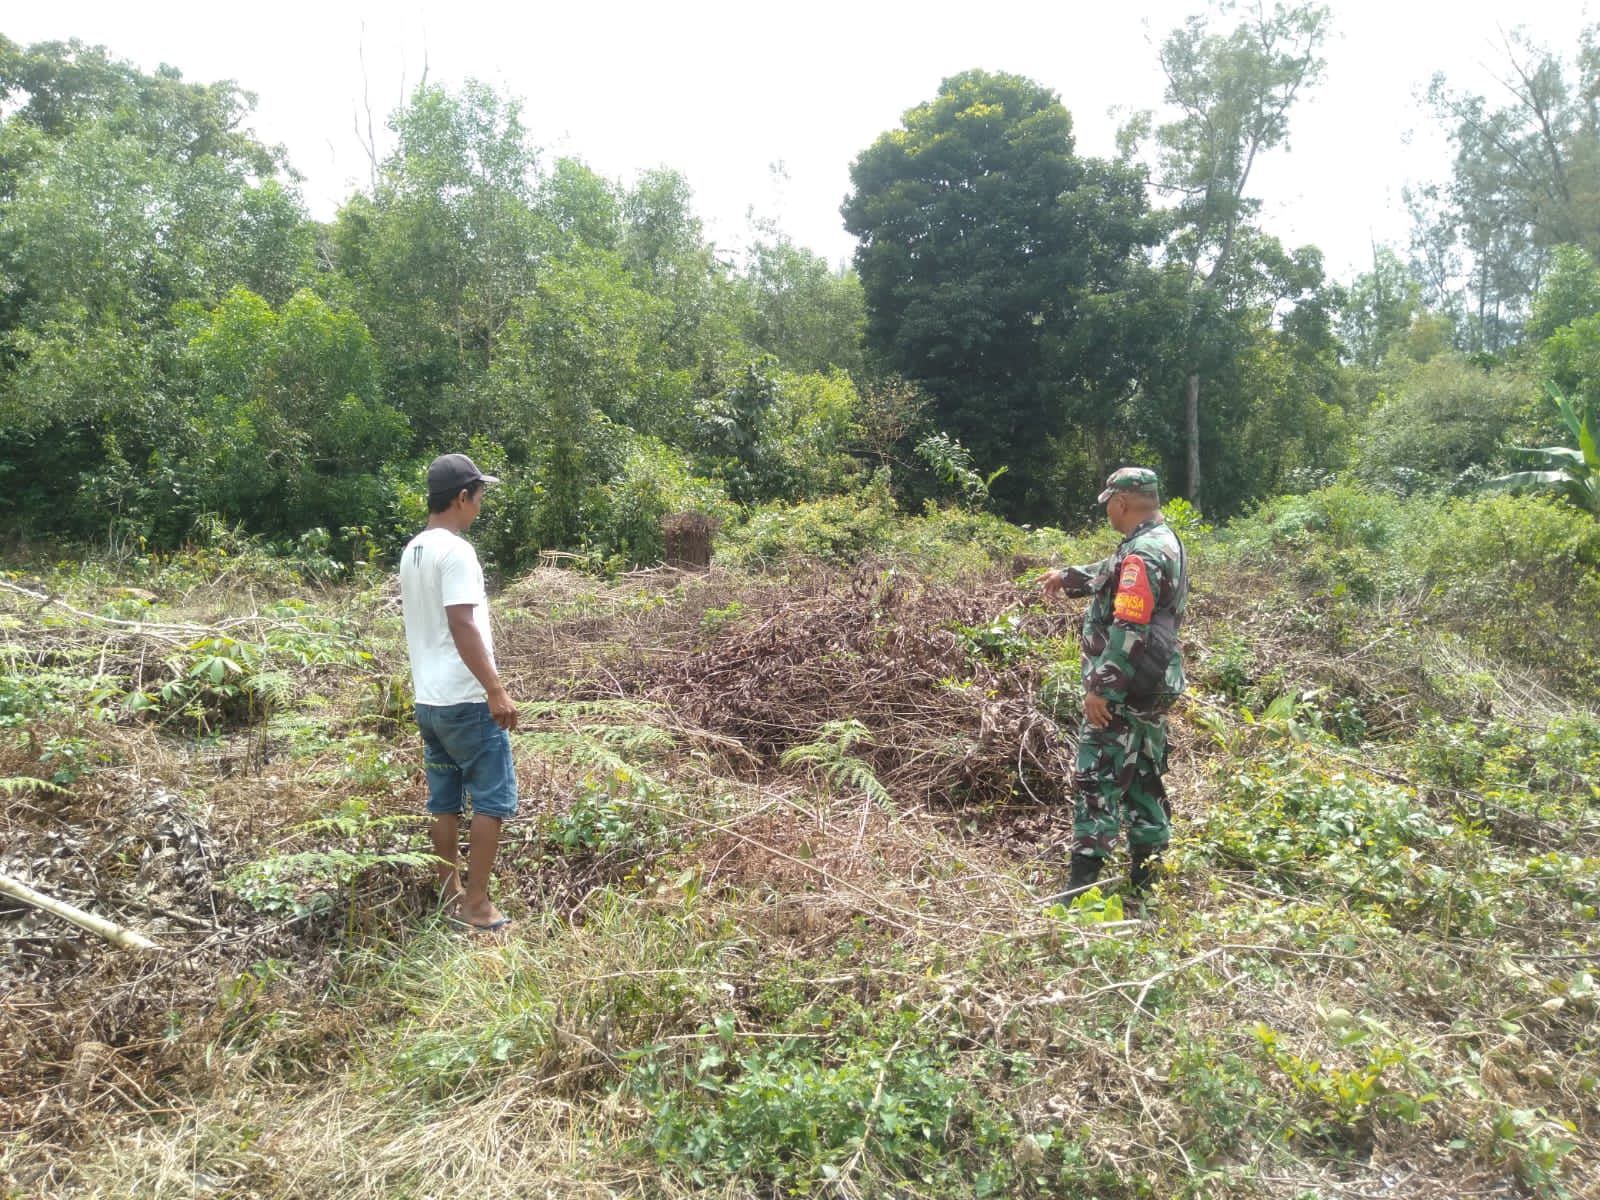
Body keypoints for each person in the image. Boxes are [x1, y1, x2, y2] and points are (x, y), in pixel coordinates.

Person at [1041, 467, 1188, 900]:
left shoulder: (1141, 553)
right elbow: (1112, 572)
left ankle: (1080, 892)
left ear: (1121, 502)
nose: (1107, 509)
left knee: (1096, 780)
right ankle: (1145, 887)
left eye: (1109, 502)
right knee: (1144, 778)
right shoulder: (1162, 540)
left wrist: (1102, 689)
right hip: (1154, 686)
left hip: (1125, 689)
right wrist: (1066, 578)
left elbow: (1129, 626)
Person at [399, 453, 520, 932]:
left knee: (444, 800)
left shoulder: (413, 550)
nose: (480, 507)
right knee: (492, 799)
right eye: (479, 497)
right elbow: (461, 622)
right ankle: (477, 905)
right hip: (465, 701)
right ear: (461, 497)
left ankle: (451, 895)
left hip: (429, 702)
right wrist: (495, 689)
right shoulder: (457, 551)